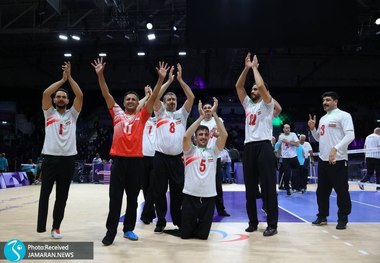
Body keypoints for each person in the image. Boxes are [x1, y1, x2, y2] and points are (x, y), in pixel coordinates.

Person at [92, 57, 168, 245]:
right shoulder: (116, 112)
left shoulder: (143, 116)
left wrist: (160, 80)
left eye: (134, 99)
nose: (131, 101)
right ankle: (111, 232)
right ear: (124, 102)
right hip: (118, 161)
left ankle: (128, 229)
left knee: (133, 200)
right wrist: (100, 75)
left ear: (138, 103)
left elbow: (154, 97)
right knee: (115, 199)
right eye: (128, 99)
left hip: (136, 162)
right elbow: (106, 93)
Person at [37, 61, 83, 239]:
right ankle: (41, 226)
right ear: (54, 100)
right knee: (45, 194)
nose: (61, 98)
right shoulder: (48, 113)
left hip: (68, 160)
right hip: (49, 158)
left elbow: (80, 94)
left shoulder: (73, 114)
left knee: (61, 197)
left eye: (64, 97)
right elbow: (45, 93)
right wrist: (61, 80)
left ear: (68, 101)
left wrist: (69, 78)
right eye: (59, 96)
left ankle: (56, 227)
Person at [235, 52, 278, 236]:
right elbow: (238, 86)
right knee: (250, 188)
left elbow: (260, 84)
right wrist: (245, 68)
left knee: (268, 186)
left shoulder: (268, 104)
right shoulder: (248, 105)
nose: (253, 91)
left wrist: (254, 67)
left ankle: (272, 225)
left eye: (255, 90)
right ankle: (253, 221)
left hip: (264, 146)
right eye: (251, 90)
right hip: (249, 147)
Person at [152, 63, 195, 233]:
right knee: (159, 191)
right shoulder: (159, 112)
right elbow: (155, 96)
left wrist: (180, 80)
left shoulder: (181, 114)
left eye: (173, 100)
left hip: (177, 158)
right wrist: (168, 82)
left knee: (178, 191)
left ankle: (178, 219)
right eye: (168, 99)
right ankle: (161, 221)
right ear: (163, 103)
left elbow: (191, 97)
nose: (171, 101)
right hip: (161, 157)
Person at [180, 98, 228, 239]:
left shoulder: (213, 151)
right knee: (185, 235)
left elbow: (224, 135)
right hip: (190, 196)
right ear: (195, 138)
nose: (203, 137)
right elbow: (185, 135)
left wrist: (214, 114)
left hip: (208, 198)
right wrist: (201, 116)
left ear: (209, 137)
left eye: (206, 135)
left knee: (202, 236)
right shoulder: (189, 151)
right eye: (200, 134)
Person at [308, 91, 355, 230]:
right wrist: (313, 129)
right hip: (323, 160)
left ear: (336, 101)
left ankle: (343, 218)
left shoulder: (344, 115)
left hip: (338, 160)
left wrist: (336, 148)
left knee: (341, 191)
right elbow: (318, 138)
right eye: (323, 100)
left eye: (328, 100)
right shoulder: (322, 118)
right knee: (321, 192)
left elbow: (350, 135)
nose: (325, 102)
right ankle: (322, 216)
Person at [200, 101, 230, 216]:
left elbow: (221, 134)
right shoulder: (200, 122)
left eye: (209, 107)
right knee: (203, 183)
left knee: (217, 184)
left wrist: (217, 134)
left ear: (213, 109)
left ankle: (221, 209)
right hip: (202, 156)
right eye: (205, 107)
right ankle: (203, 208)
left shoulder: (217, 120)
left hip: (215, 156)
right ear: (202, 110)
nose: (207, 109)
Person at [278, 123, 300, 194]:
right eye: (286, 128)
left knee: (296, 172)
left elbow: (297, 144)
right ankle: (287, 188)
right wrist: (278, 153)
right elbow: (279, 145)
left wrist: (288, 142)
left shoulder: (293, 134)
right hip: (285, 157)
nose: (287, 129)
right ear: (283, 129)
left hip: (293, 156)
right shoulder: (281, 136)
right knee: (287, 173)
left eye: (288, 128)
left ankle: (295, 187)